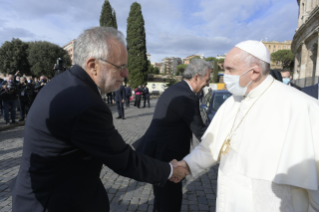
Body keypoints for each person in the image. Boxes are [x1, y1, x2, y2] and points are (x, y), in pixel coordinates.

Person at [10, 27, 188, 212]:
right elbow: (124, 160)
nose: (126, 74)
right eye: (120, 67)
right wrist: (169, 170)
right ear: (93, 65)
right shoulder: (85, 103)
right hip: (54, 203)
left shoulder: (66, 83)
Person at [172, 40, 319, 211]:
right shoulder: (232, 102)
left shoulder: (303, 107)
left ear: (254, 71)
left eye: (230, 70)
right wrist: (187, 165)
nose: (224, 76)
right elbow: (210, 148)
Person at [135, 59, 210, 212]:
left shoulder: (176, 88)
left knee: (161, 199)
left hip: (157, 153)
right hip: (167, 158)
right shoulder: (188, 97)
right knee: (170, 201)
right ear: (197, 77)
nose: (208, 84)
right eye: (207, 80)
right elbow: (201, 132)